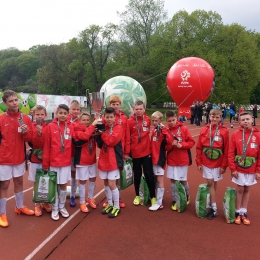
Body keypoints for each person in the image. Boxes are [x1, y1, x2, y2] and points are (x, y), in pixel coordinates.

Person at [0, 90, 34, 228]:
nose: (14, 103)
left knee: (19, 181)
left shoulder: (25, 118)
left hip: (19, 157)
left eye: (16, 100)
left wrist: (26, 132)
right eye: (11, 101)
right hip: (4, 158)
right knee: (4, 185)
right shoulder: (1, 119)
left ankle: (19, 206)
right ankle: (2, 213)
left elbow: (30, 139)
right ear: (5, 103)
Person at [196, 108, 229, 219]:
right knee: (210, 183)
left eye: (217, 117)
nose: (214, 119)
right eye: (212, 117)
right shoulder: (204, 130)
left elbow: (227, 149)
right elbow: (199, 147)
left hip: (218, 162)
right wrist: (199, 162)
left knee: (214, 183)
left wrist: (224, 165)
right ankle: (213, 207)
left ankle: (212, 204)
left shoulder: (224, 131)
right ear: (209, 117)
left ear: (220, 118)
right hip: (206, 161)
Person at [42, 104, 74, 221]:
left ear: (68, 114)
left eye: (65, 113)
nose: (62, 115)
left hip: (65, 162)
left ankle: (62, 207)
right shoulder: (50, 127)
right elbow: (46, 147)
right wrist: (46, 164)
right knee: (54, 186)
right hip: (53, 162)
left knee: (64, 185)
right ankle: (55, 208)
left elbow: (79, 137)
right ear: (56, 114)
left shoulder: (71, 126)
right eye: (60, 113)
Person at [228, 112, 260, 225]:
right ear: (240, 122)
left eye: (247, 119)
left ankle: (244, 211)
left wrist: (258, 171)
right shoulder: (236, 134)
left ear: (252, 120)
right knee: (240, 189)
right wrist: (233, 169)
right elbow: (231, 152)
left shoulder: (258, 135)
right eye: (243, 120)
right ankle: (237, 212)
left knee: (247, 189)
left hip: (251, 168)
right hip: (239, 168)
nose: (245, 121)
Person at [102, 95, 130, 208]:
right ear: (110, 105)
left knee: (116, 179)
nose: (115, 106)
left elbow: (127, 135)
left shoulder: (124, 119)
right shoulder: (106, 118)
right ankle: (110, 201)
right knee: (108, 180)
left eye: (117, 104)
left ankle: (118, 199)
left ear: (120, 105)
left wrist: (126, 152)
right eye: (113, 104)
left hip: (119, 151)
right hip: (107, 151)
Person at [128, 100, 157, 206]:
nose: (139, 111)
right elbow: (127, 138)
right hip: (135, 153)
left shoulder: (148, 120)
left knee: (149, 174)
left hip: (146, 152)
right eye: (137, 109)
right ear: (133, 109)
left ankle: (153, 196)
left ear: (144, 109)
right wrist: (127, 152)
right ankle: (137, 195)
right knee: (137, 175)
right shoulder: (129, 121)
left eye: (141, 109)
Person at [96, 107, 123, 218]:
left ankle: (117, 206)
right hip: (104, 159)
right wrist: (98, 133)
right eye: (107, 117)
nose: (109, 119)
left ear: (115, 117)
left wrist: (102, 134)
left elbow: (111, 141)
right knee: (106, 183)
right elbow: (100, 144)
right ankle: (110, 204)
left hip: (113, 161)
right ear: (104, 117)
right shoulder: (104, 127)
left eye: (111, 117)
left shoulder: (118, 128)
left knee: (112, 184)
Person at [165, 110, 195, 211]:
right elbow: (165, 147)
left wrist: (182, 145)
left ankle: (186, 195)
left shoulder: (184, 129)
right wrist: (170, 145)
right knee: (173, 180)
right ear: (166, 121)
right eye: (169, 121)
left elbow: (191, 142)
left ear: (176, 118)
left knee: (183, 180)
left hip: (183, 159)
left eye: (173, 120)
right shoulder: (166, 131)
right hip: (172, 159)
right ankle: (174, 199)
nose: (172, 122)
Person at [28, 105, 52, 217]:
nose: (40, 116)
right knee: (36, 181)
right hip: (35, 158)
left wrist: (42, 133)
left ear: (45, 115)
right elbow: (32, 142)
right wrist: (37, 133)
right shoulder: (31, 126)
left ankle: (46, 202)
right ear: (33, 115)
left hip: (46, 157)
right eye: (38, 114)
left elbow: (47, 143)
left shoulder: (48, 127)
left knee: (46, 180)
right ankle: (37, 204)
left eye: (42, 114)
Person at [72, 113, 98, 212]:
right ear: (79, 120)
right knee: (82, 181)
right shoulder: (77, 129)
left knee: (93, 178)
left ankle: (90, 198)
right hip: (82, 161)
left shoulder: (91, 129)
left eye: (88, 120)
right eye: (84, 120)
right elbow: (85, 137)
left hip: (92, 159)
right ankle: (82, 202)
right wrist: (92, 127)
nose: (86, 122)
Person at [149, 111, 172, 211]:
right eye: (153, 120)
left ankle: (159, 203)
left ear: (161, 120)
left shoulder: (163, 130)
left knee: (159, 179)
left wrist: (164, 130)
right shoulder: (154, 129)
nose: (154, 122)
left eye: (156, 120)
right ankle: (158, 197)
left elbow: (170, 141)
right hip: (152, 158)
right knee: (155, 178)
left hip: (159, 158)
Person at [68, 100, 81, 207]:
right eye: (74, 109)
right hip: (63, 153)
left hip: (75, 152)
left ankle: (72, 196)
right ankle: (59, 195)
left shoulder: (81, 121)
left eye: (78, 109)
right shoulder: (63, 119)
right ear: (69, 109)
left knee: (73, 176)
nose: (76, 111)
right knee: (60, 176)